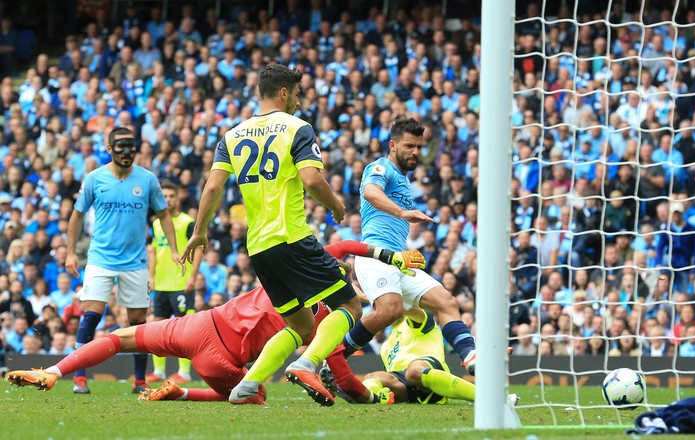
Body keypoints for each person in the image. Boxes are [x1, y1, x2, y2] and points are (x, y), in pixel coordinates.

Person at [6, 241, 425, 405]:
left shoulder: (292, 272)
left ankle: (53, 371)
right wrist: (367, 398)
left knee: (120, 337)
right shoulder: (321, 326)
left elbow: (342, 246)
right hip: (221, 360)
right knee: (254, 397)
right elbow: (345, 378)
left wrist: (386, 256)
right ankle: (182, 393)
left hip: (200, 324)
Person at [181, 65, 367, 406]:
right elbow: (311, 179)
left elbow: (212, 187)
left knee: (300, 323)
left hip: (259, 247)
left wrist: (199, 230)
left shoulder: (232, 135)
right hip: (292, 236)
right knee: (350, 305)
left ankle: (246, 387)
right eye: (296, 94)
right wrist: (338, 207)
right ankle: (308, 363)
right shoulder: (298, 128)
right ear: (284, 93)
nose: (297, 100)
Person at [342, 118, 479, 375]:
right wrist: (403, 213)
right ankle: (336, 357)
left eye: (419, 146)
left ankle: (472, 359)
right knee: (390, 310)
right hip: (374, 254)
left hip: (398, 259)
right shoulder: (381, 168)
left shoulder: (404, 181)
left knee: (446, 302)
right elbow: (371, 192)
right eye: (409, 146)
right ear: (392, 145)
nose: (415, 152)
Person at [65, 127, 181, 395]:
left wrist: (174, 249)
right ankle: (79, 378)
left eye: (131, 147)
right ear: (109, 149)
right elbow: (77, 215)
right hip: (100, 258)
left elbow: (164, 215)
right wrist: (71, 252)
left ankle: (139, 380)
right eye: (121, 147)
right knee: (92, 315)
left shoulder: (148, 180)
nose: (127, 153)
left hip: (135, 261)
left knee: (138, 323)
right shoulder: (95, 179)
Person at [323, 308, 518, 406]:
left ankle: (493, 399)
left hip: (428, 370)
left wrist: (389, 298)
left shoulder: (417, 319)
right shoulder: (386, 344)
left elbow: (405, 307)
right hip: (408, 385)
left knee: (414, 370)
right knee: (374, 377)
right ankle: (370, 397)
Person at [146, 180, 203, 384]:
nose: (168, 199)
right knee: (156, 328)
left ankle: (184, 372)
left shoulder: (187, 222)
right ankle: (159, 371)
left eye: (171, 196)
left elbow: (198, 248)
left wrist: (193, 277)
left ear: (178, 197)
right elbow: (153, 250)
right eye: (165, 196)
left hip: (181, 282)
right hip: (161, 284)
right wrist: (151, 277)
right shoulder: (155, 223)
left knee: (183, 331)